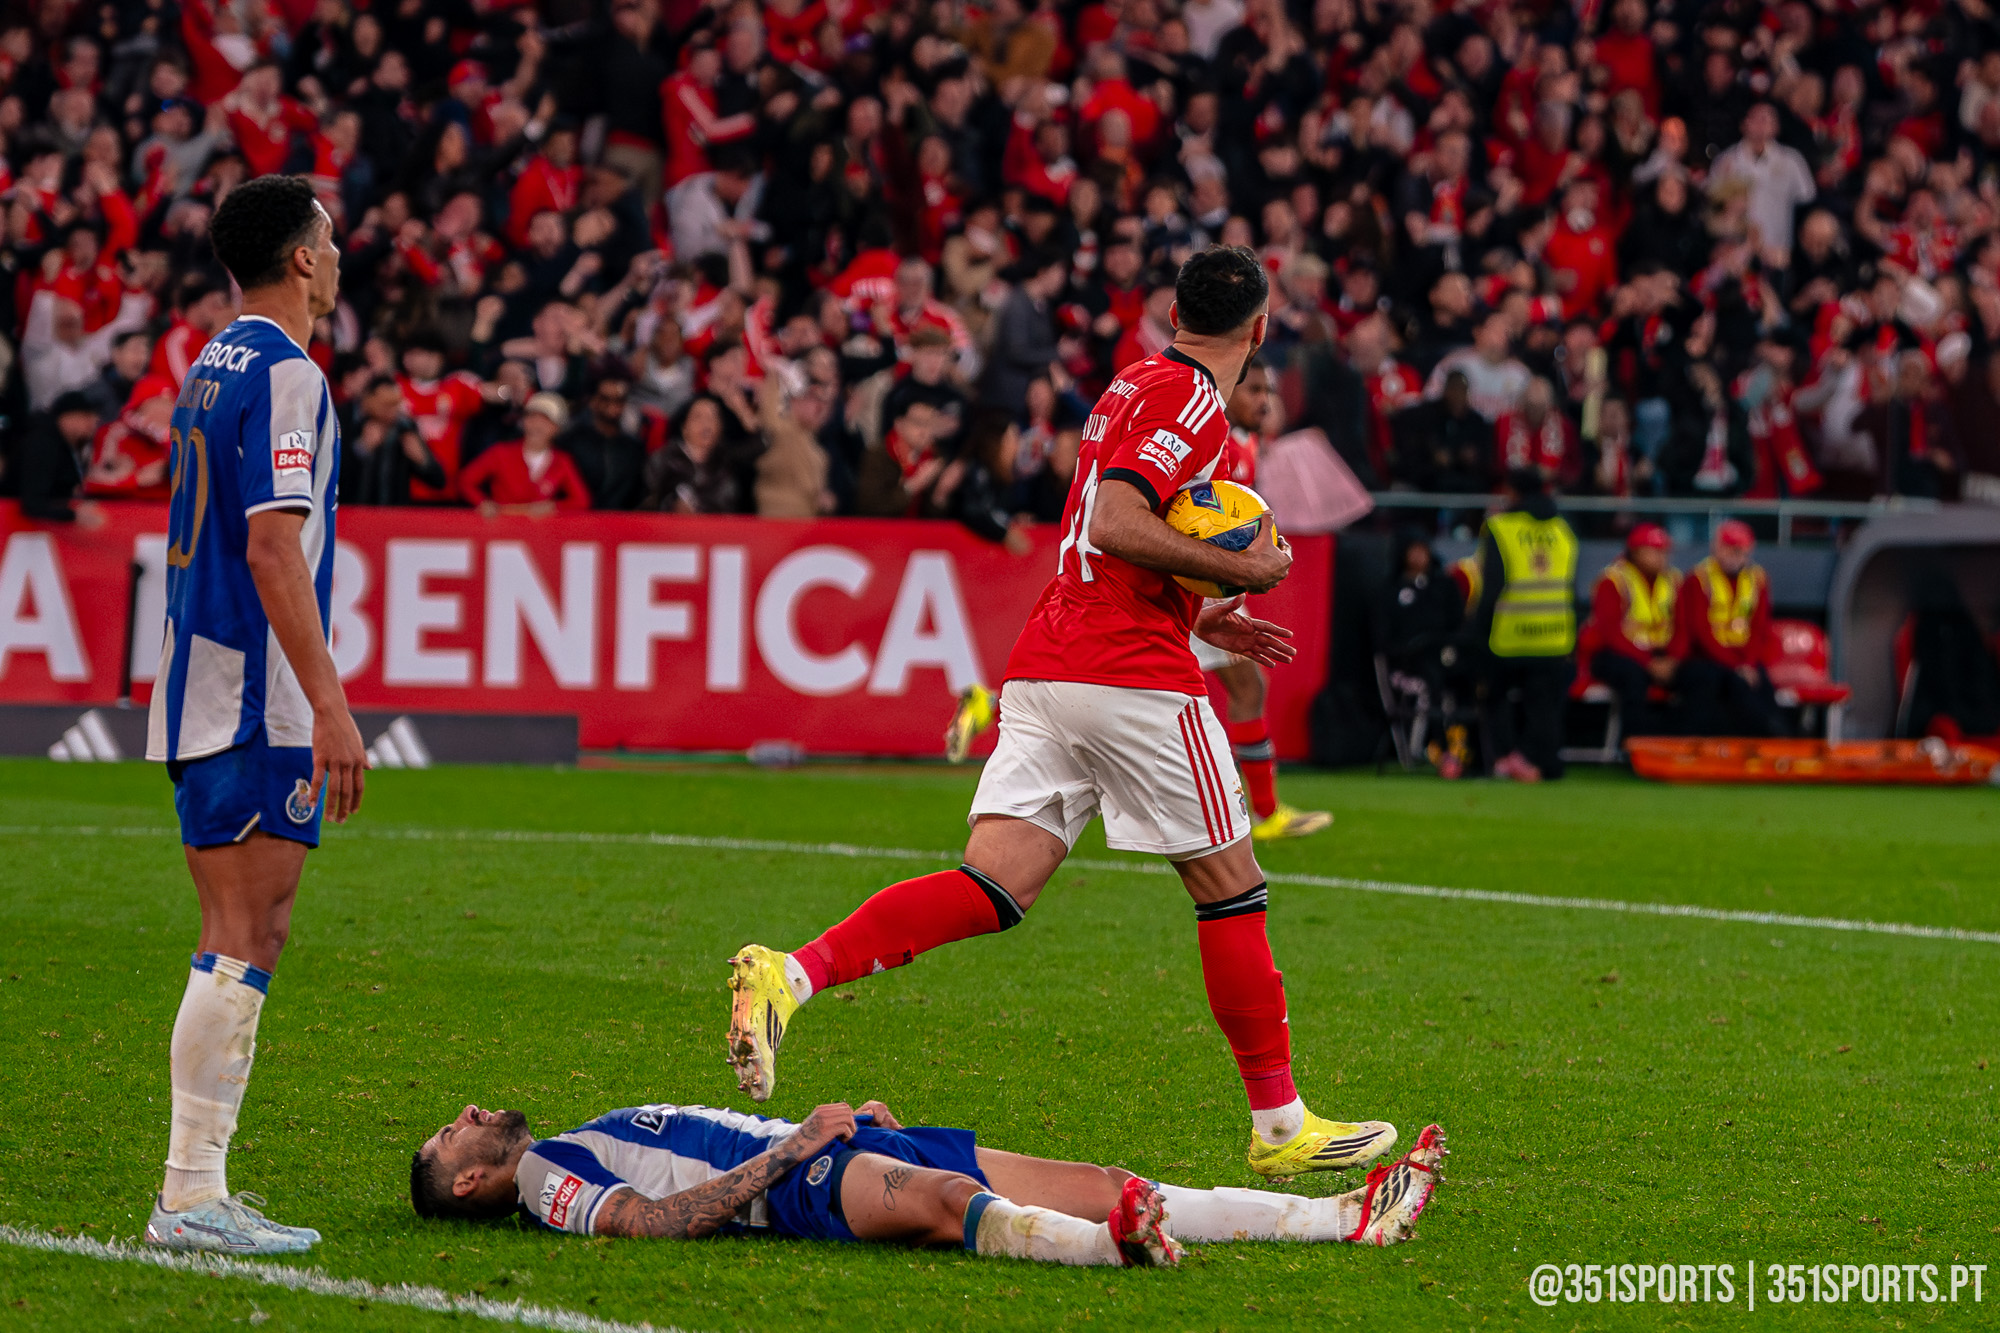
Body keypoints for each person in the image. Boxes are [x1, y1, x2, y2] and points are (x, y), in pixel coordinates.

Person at [727, 247, 1399, 1182]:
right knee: (1233, 887)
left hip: (1052, 660)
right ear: (1259, 329)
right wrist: (1244, 569)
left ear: (1173, 312)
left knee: (994, 886)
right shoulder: (1195, 403)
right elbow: (1119, 522)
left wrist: (1206, 614)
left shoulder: (1131, 382)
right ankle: (1281, 1124)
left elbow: (1102, 536)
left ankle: (789, 975)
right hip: (1129, 673)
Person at [143, 175, 367, 1255]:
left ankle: (200, 1187)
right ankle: (188, 1196)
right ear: (300, 261)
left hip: (203, 675)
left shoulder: (208, 363)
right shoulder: (286, 374)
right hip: (252, 697)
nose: (336, 255)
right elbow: (273, 545)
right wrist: (330, 709)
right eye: (327, 240)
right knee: (245, 931)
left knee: (240, 931)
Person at [408, 1098, 1446, 1258]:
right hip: (799, 1187)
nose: (465, 1117)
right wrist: (800, 1148)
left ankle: (1340, 1217)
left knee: (1097, 1172)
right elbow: (650, 1223)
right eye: (450, 1137)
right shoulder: (545, 1177)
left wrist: (833, 1121)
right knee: (953, 1209)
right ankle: (1105, 1247)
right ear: (468, 1185)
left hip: (833, 1144)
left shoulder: (574, 1133)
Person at [1193, 358, 1332, 839]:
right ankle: (1264, 814)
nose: (1264, 399)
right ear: (1227, 391)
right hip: (1197, 587)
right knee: (1126, 688)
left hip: (1215, 585)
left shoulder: (1248, 444)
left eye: (1268, 390)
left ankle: (1263, 813)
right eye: (1253, 389)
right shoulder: (1212, 445)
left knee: (1245, 690)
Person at [1468, 469, 1579, 782]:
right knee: (1543, 705)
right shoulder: (1563, 528)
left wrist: (1477, 633)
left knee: (1495, 696)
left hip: (1511, 633)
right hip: (1555, 634)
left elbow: (1491, 589)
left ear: (1511, 492)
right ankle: (1535, 760)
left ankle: (1505, 759)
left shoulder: (1501, 527)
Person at [1675, 520, 1784, 736]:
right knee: (1724, 686)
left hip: (1743, 658)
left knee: (1763, 689)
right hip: (1705, 658)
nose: (1737, 556)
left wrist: (1748, 663)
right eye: (1731, 548)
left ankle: (1779, 741)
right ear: (1717, 548)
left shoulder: (1757, 579)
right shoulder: (1698, 578)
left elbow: (1759, 627)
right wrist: (1736, 666)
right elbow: (1700, 632)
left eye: (1742, 550)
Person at [1587, 523, 1682, 740]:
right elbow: (1610, 634)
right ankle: (1636, 745)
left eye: (1664, 551)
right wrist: (1647, 662)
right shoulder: (1613, 580)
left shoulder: (1674, 580)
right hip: (1616, 654)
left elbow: (1683, 627)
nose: (1662, 557)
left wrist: (1674, 659)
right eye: (1655, 551)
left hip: (1661, 654)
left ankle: (1685, 744)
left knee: (1697, 675)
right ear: (1636, 552)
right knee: (1633, 677)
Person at [457, 394, 592, 514]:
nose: (537, 425)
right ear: (523, 422)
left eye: (545, 421)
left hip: (539, 533)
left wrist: (553, 507)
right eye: (532, 418)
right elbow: (466, 480)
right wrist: (483, 503)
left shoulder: (561, 461)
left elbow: (581, 500)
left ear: (556, 428)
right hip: (501, 527)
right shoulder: (501, 452)